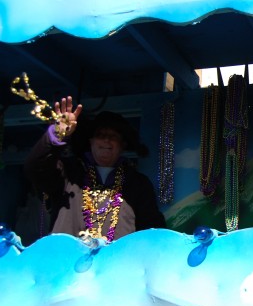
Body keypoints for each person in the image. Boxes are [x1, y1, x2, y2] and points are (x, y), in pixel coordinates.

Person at [24, 96, 166, 242]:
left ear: (123, 145)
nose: (106, 140)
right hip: (68, 262)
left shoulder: (137, 183)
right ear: (91, 141)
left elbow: (152, 231)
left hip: (116, 263)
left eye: (113, 136)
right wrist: (56, 134)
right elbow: (35, 167)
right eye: (100, 135)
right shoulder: (69, 173)